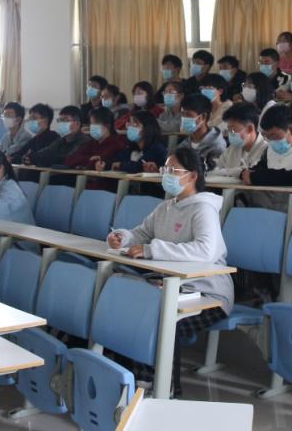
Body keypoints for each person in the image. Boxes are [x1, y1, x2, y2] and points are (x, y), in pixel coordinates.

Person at [106, 147, 232, 397]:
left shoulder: (203, 209)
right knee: (130, 313)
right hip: (172, 288)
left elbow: (205, 251)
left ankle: (165, 388)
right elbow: (142, 233)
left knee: (160, 322)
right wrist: (122, 237)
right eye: (166, 169)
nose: (166, 175)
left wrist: (151, 250)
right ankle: (135, 381)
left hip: (208, 293)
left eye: (173, 170)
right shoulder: (165, 207)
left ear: (193, 176)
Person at [212, 102, 268, 178]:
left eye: (233, 129)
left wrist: (226, 172)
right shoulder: (232, 148)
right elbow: (216, 169)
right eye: (229, 130)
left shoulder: (265, 150)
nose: (230, 134)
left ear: (250, 128)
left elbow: (249, 171)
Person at [64, 107, 128, 172]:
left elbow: (93, 164)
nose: (91, 127)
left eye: (95, 124)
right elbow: (69, 160)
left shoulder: (116, 143)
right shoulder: (93, 143)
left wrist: (84, 161)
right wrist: (89, 158)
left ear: (107, 126)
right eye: (91, 124)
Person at [173, 93, 226, 170]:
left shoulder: (217, 145)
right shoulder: (184, 143)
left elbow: (213, 172)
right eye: (182, 114)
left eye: (188, 115)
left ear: (203, 116)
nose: (184, 118)